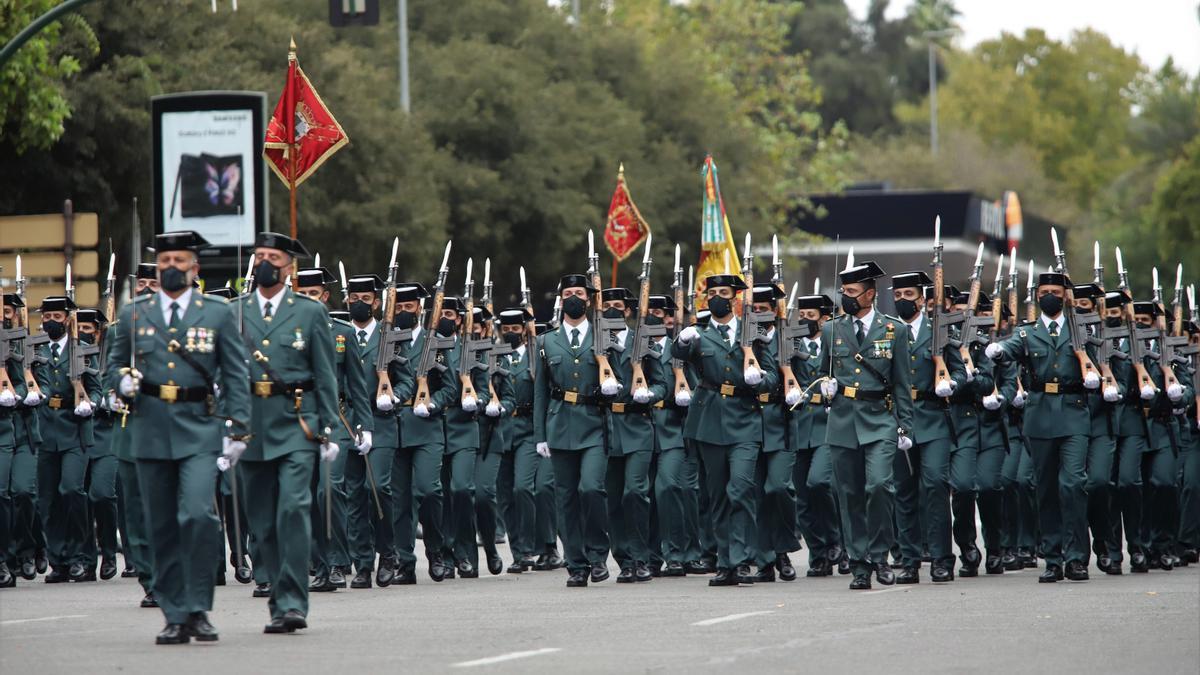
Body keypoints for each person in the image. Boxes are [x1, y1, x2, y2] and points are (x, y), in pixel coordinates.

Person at [106, 230, 251, 644]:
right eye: (165, 262)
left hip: (199, 428)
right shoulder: (134, 312)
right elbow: (112, 367)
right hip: (150, 429)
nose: (172, 269)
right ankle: (174, 613)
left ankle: (199, 606)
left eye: (179, 262)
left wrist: (238, 427)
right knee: (162, 524)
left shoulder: (218, 312)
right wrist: (122, 382)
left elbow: (236, 374)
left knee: (197, 515)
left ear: (195, 268)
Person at [232, 231, 339, 633]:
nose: (264, 262)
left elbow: (325, 372)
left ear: (289, 267)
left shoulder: (309, 312)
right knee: (263, 522)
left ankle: (294, 602)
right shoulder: (235, 311)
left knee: (293, 510)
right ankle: (279, 599)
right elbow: (226, 374)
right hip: (252, 425)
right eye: (259, 254)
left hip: (298, 422)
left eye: (273, 256)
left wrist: (328, 427)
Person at [986, 271, 1101, 582]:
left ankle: (1076, 557)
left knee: (1073, 484)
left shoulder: (1082, 330)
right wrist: (996, 351)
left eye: (1055, 290)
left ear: (1065, 295)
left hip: (1074, 412)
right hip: (1039, 415)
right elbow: (1010, 348)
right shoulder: (1027, 333)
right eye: (1043, 291)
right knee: (1046, 488)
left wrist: (1093, 374)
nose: (1048, 296)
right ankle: (1053, 558)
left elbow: (1099, 362)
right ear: (1036, 296)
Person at [671, 272, 778, 586]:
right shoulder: (699, 334)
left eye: (724, 291)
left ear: (735, 298)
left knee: (741, 489)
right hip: (710, 419)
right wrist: (681, 340)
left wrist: (761, 379)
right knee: (717, 495)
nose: (717, 296)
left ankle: (744, 559)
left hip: (745, 418)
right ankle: (725, 562)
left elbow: (772, 376)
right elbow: (677, 357)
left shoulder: (753, 332)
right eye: (713, 291)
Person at [818, 260, 914, 590]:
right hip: (844, 419)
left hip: (880, 419)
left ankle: (880, 556)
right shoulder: (832, 329)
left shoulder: (894, 330)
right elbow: (822, 370)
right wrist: (825, 387)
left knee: (879, 486)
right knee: (849, 494)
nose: (846, 297)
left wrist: (905, 426)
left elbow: (902, 382)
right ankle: (859, 564)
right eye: (843, 291)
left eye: (852, 292)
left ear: (870, 295)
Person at [293, 266, 373, 593]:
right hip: (297, 418)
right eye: (303, 294)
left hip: (335, 417)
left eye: (314, 294)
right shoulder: (287, 328)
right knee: (304, 496)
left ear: (325, 297)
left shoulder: (342, 332)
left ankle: (340, 562)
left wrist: (364, 427)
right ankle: (318, 565)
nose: (309, 299)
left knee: (329, 490)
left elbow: (357, 384)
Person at [533, 274, 613, 587]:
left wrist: (613, 385)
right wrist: (540, 435)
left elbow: (619, 376)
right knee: (565, 497)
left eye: (579, 292)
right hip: (560, 424)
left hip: (594, 423)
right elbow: (541, 390)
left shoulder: (604, 335)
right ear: (561, 300)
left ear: (590, 299)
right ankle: (576, 563)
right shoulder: (546, 341)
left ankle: (598, 553)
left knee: (591, 489)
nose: (573, 297)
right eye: (568, 293)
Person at [343, 275, 409, 588]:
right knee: (354, 494)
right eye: (354, 298)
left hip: (380, 420)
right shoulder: (338, 334)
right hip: (347, 421)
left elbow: (408, 379)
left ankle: (388, 552)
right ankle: (363, 564)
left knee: (378, 489)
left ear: (377, 302)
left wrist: (393, 397)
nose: (359, 303)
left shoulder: (390, 336)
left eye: (366, 298)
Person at [35, 295, 101, 584]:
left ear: (68, 319)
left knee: (73, 490)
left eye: (57, 318)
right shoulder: (34, 350)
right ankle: (59, 560)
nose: (51, 322)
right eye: (47, 317)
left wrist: (91, 404)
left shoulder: (83, 349)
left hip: (75, 428)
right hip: (45, 429)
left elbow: (96, 388)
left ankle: (81, 558)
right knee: (48, 499)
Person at [600, 287, 664, 583]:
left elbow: (663, 383)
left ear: (628, 311)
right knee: (613, 497)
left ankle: (642, 557)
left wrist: (648, 394)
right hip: (607, 426)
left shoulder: (644, 339)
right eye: (607, 305)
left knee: (635, 492)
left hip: (638, 425)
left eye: (617, 306)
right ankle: (624, 558)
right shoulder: (594, 342)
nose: (612, 310)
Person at [497, 308, 561, 573]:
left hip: (528, 427)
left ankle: (545, 546)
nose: (511, 333)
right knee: (505, 495)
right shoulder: (494, 356)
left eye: (516, 328)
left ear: (525, 329)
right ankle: (520, 552)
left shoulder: (536, 356)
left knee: (524, 488)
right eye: (506, 329)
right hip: (500, 429)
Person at [748, 285, 800, 582]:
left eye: (763, 306)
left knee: (778, 488)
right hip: (750, 422)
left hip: (781, 422)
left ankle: (783, 548)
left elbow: (806, 377)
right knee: (755, 493)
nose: (758, 312)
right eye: (753, 307)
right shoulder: (743, 340)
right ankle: (765, 560)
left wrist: (797, 391)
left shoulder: (787, 338)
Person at [790, 293, 841, 578]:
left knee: (819, 482)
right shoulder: (790, 346)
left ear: (824, 318)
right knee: (803, 497)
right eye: (802, 315)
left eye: (811, 316)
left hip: (827, 423)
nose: (805, 320)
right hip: (799, 424)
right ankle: (818, 554)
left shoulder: (835, 344)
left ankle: (836, 540)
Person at [76, 309, 119, 581]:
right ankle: (86, 559)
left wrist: (104, 399)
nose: (83, 333)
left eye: (89, 329)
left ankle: (109, 552)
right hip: (77, 434)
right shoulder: (70, 357)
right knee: (78, 498)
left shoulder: (112, 357)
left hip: (105, 433)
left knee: (102, 494)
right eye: (78, 328)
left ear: (99, 331)